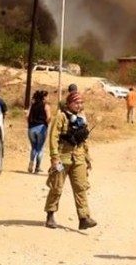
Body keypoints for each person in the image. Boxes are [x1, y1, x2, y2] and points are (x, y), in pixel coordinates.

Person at [44, 90, 97, 230]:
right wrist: (54, 158)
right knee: (57, 187)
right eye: (76, 103)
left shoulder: (81, 118)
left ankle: (84, 218)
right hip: (62, 160)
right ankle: (50, 215)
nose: (79, 106)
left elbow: (84, 140)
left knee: (81, 187)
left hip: (78, 159)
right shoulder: (61, 117)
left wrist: (87, 158)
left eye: (81, 103)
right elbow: (53, 138)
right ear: (69, 104)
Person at [27, 90, 51, 174]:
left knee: (33, 147)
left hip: (31, 129)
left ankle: (31, 162)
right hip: (41, 128)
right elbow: (48, 118)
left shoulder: (32, 105)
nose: (48, 98)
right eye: (47, 96)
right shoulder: (46, 106)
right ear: (44, 97)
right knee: (40, 148)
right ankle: (37, 167)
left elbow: (27, 116)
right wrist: (47, 124)